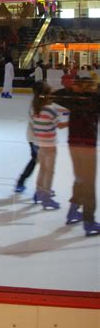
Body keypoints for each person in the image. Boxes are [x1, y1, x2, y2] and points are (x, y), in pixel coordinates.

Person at [54, 76, 100, 236]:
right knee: (89, 183)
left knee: (80, 178)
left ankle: (73, 210)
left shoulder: (73, 99)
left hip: (74, 144)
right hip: (87, 146)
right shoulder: (94, 100)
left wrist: (72, 89)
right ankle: (89, 221)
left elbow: (56, 95)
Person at [29, 82, 67, 209]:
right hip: (50, 144)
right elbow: (60, 126)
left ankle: (39, 192)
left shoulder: (36, 108)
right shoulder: (51, 109)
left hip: (40, 143)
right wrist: (72, 121)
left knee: (43, 169)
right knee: (49, 171)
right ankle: (46, 197)